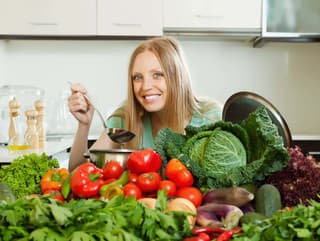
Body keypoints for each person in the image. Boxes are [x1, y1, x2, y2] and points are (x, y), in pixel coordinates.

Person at [68, 36, 222, 171]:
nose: (145, 86)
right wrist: (84, 126)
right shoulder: (124, 120)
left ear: (177, 76)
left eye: (157, 75)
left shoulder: (211, 116)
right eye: (137, 77)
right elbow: (78, 173)